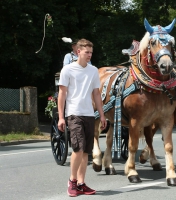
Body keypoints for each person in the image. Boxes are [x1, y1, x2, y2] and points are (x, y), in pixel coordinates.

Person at [57, 39, 107, 197]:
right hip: (74, 113)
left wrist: (102, 114)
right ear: (78, 52)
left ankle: (81, 183)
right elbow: (62, 94)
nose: (90, 55)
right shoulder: (68, 70)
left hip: (89, 114)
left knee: (86, 151)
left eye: (91, 52)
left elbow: (97, 94)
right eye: (87, 52)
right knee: (78, 149)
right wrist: (61, 117)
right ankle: (72, 181)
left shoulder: (93, 71)